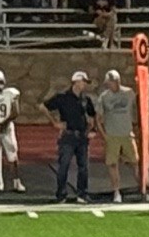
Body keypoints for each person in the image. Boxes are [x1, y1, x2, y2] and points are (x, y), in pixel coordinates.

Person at [44, 70, 95, 204]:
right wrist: (55, 122)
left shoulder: (86, 99)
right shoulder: (63, 97)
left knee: (83, 167)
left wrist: (90, 129)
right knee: (64, 165)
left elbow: (92, 116)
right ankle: (61, 194)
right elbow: (44, 106)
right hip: (68, 136)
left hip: (82, 137)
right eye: (83, 81)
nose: (84, 85)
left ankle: (82, 193)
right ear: (76, 82)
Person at [98, 69, 138, 203]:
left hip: (127, 134)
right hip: (112, 135)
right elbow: (98, 118)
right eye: (109, 82)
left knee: (135, 162)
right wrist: (104, 135)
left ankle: (143, 189)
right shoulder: (104, 97)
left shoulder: (129, 93)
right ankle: (116, 192)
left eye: (112, 82)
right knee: (112, 164)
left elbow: (138, 109)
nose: (110, 84)